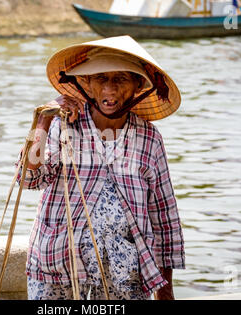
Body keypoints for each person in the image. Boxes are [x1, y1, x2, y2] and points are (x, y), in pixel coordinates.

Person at [16, 36, 185, 300]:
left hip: (125, 278)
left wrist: (166, 293)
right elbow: (28, 178)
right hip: (58, 270)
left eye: (121, 79)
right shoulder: (63, 125)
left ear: (137, 85)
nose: (110, 88)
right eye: (101, 78)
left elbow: (164, 220)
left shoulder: (149, 139)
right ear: (87, 84)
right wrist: (42, 122)